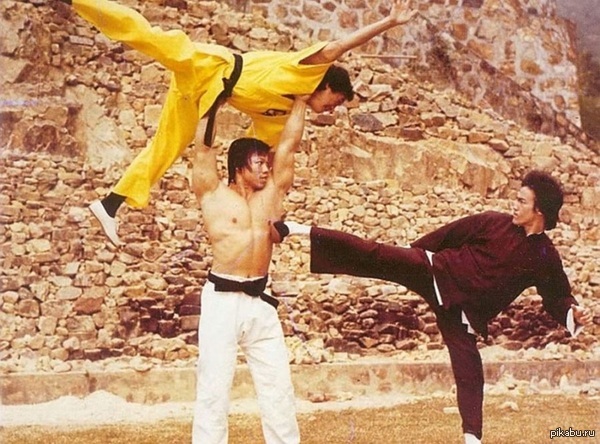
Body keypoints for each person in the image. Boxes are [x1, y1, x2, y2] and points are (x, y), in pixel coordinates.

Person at [54, 0, 417, 246]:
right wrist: (388, 22)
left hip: (209, 96)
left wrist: (266, 213)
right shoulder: (305, 71)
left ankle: (111, 204)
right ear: (326, 86)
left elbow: (261, 156)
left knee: (168, 146)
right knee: (148, 37)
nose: (330, 110)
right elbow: (341, 46)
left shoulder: (282, 115)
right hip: (213, 65)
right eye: (333, 102)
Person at [274, 170, 593, 444]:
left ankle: (472, 439)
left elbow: (557, 296)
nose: (515, 204)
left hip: (462, 314)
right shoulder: (493, 222)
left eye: (522, 201)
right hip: (435, 273)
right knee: (375, 254)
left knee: (470, 369)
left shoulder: (544, 257)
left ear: (539, 211)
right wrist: (410, 256)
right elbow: (449, 234)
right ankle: (299, 229)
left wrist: (572, 312)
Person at [189, 94, 309, 443]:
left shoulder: (271, 195)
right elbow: (204, 148)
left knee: (278, 387)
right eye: (258, 163)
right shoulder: (212, 194)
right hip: (222, 300)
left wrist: (301, 101)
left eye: (266, 163)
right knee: (213, 388)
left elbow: (289, 144)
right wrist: (213, 101)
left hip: (260, 299)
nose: (266, 169)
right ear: (239, 166)